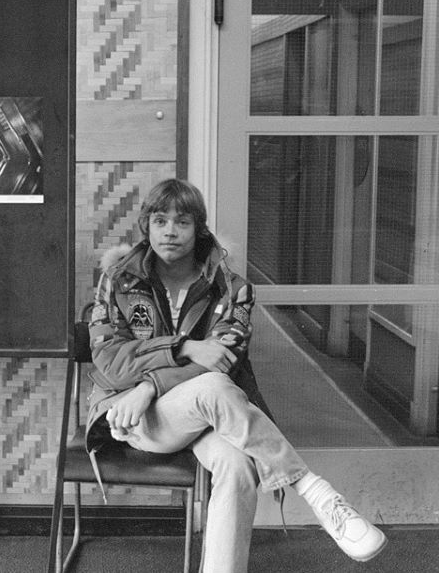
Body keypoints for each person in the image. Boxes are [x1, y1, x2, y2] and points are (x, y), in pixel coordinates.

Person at [87, 178, 387, 572]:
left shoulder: (233, 291)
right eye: (160, 221)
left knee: (238, 463)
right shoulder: (119, 280)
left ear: (200, 228)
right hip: (133, 415)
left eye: (182, 221)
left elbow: (223, 359)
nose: (170, 232)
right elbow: (110, 360)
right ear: (147, 226)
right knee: (210, 386)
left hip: (206, 417)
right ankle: (312, 489)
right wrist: (185, 348)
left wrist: (150, 383)